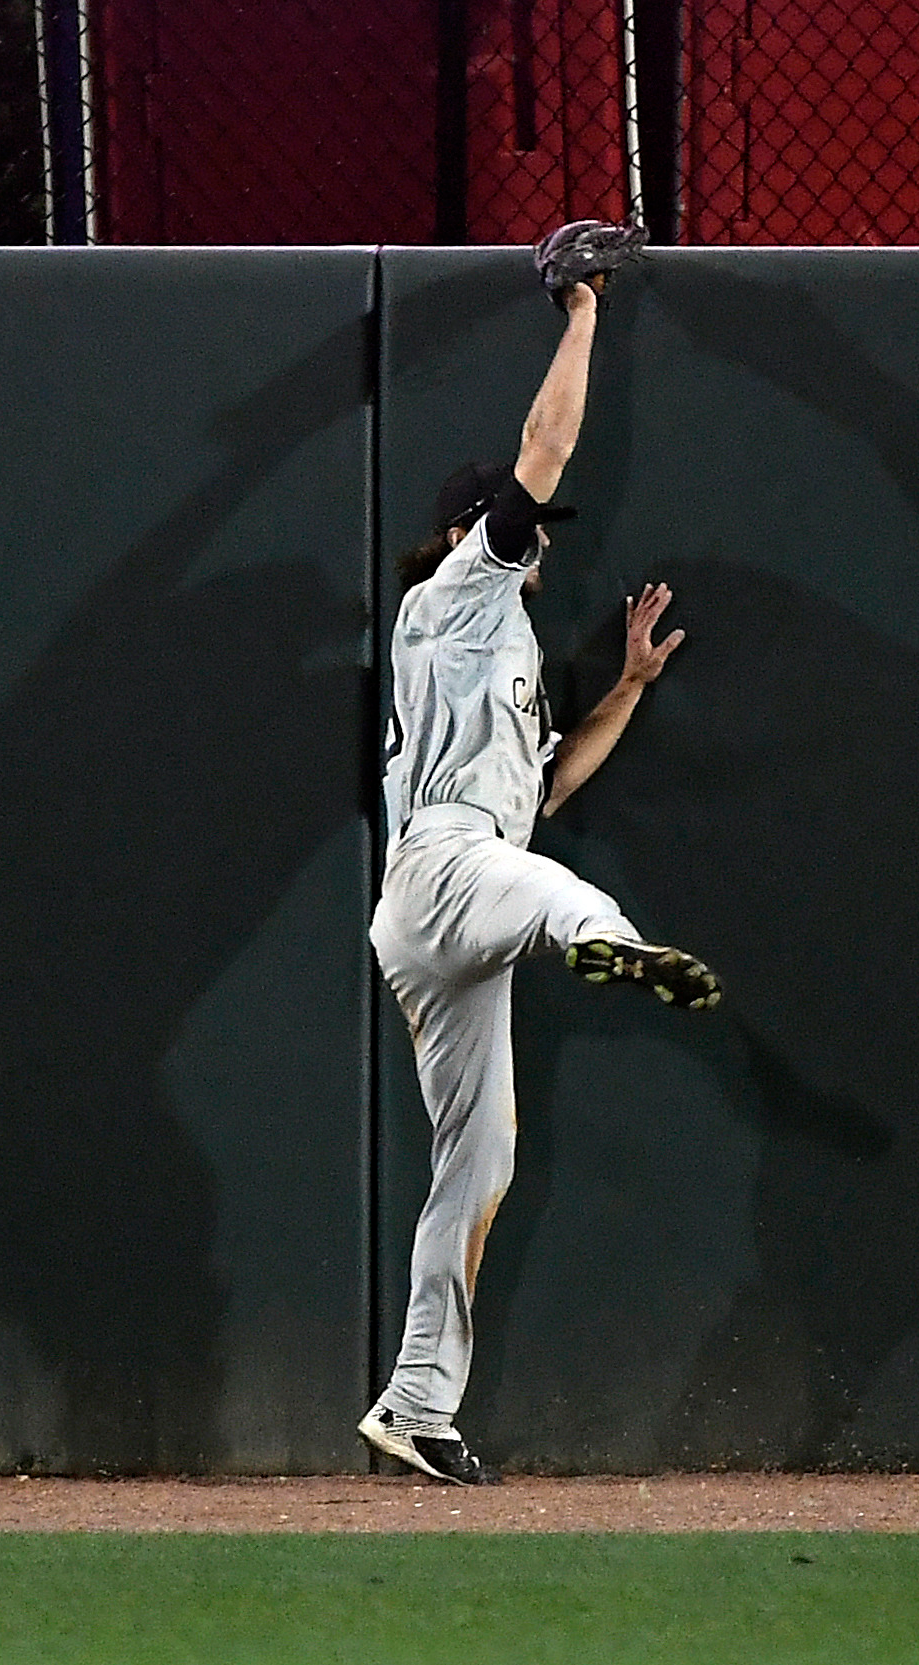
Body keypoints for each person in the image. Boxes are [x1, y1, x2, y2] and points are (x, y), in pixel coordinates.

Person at [359, 273, 721, 1487]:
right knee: (559, 899)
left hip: (450, 896)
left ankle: (417, 1406)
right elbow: (547, 445)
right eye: (525, 530)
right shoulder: (457, 597)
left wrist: (624, 688)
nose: (539, 545)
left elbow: (553, 790)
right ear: (482, 533)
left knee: (481, 1163)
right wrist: (582, 315)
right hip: (448, 866)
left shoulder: (496, 653)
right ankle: (611, 941)